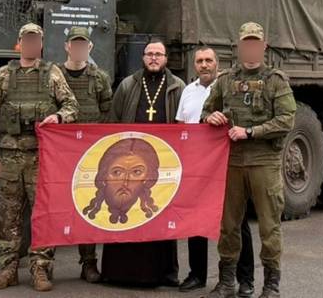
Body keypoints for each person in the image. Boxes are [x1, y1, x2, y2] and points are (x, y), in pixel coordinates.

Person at [0, 23, 79, 292]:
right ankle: (8, 269)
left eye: (36, 40)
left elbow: (72, 106)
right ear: (20, 43)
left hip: (40, 157)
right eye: (27, 40)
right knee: (7, 216)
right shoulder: (4, 74)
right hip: (9, 156)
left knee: (43, 215)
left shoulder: (52, 73)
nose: (31, 45)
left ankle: (40, 268)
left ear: (41, 44)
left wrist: (58, 116)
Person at [202, 23, 296, 298]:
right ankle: (227, 282)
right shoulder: (226, 80)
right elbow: (207, 110)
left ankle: (271, 285)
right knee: (229, 225)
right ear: (240, 46)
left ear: (264, 46)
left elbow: (287, 120)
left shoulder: (276, 80)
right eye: (246, 42)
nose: (251, 47)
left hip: (264, 160)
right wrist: (211, 117)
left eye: (256, 42)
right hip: (232, 161)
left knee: (269, 226)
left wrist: (251, 132)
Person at [100, 38, 185, 287]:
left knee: (159, 213)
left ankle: (165, 274)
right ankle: (118, 273)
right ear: (143, 57)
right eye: (150, 54)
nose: (154, 58)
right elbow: (114, 120)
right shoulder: (128, 85)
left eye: (159, 54)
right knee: (124, 209)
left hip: (162, 161)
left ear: (166, 59)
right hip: (129, 157)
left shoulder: (177, 86)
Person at [176, 47, 255, 296]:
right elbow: (181, 127)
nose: (204, 65)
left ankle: (245, 279)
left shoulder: (230, 87)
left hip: (227, 163)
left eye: (209, 60)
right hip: (197, 165)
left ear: (217, 63)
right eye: (199, 61)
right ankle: (197, 274)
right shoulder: (187, 91)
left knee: (236, 222)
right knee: (196, 220)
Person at [61, 26, 113, 283]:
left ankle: (88, 262)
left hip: (89, 154)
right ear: (67, 47)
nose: (79, 48)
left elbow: (107, 112)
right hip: (59, 153)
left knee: (87, 205)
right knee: (54, 205)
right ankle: (44, 262)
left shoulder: (99, 77)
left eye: (84, 44)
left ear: (89, 48)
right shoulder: (54, 75)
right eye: (75, 43)